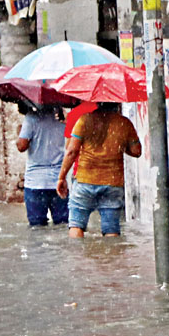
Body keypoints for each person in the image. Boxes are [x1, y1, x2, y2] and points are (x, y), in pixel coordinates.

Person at [58, 101, 140, 237]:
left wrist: (61, 177)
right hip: (113, 183)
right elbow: (136, 151)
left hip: (85, 180)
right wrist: (118, 146)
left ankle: (75, 251)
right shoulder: (124, 123)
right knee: (111, 230)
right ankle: (112, 251)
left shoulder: (84, 120)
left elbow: (71, 151)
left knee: (76, 225)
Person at [17, 104, 69, 227]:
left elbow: (21, 146)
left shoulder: (31, 118)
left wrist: (19, 133)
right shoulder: (63, 118)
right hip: (59, 180)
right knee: (63, 226)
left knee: (37, 228)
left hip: (35, 182)